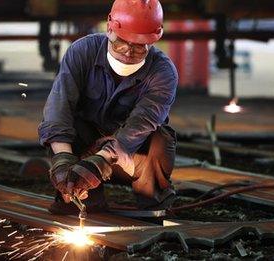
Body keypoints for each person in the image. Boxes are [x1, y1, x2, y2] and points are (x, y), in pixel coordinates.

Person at [37, 0, 178, 214]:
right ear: (109, 29)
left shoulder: (163, 72)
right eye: (121, 44)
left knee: (161, 139)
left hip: (131, 155)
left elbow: (141, 124)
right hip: (87, 144)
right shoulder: (82, 51)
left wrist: (101, 161)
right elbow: (59, 108)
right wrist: (63, 159)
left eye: (139, 48)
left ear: (153, 40)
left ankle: (152, 202)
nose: (128, 53)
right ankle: (79, 197)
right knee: (70, 125)